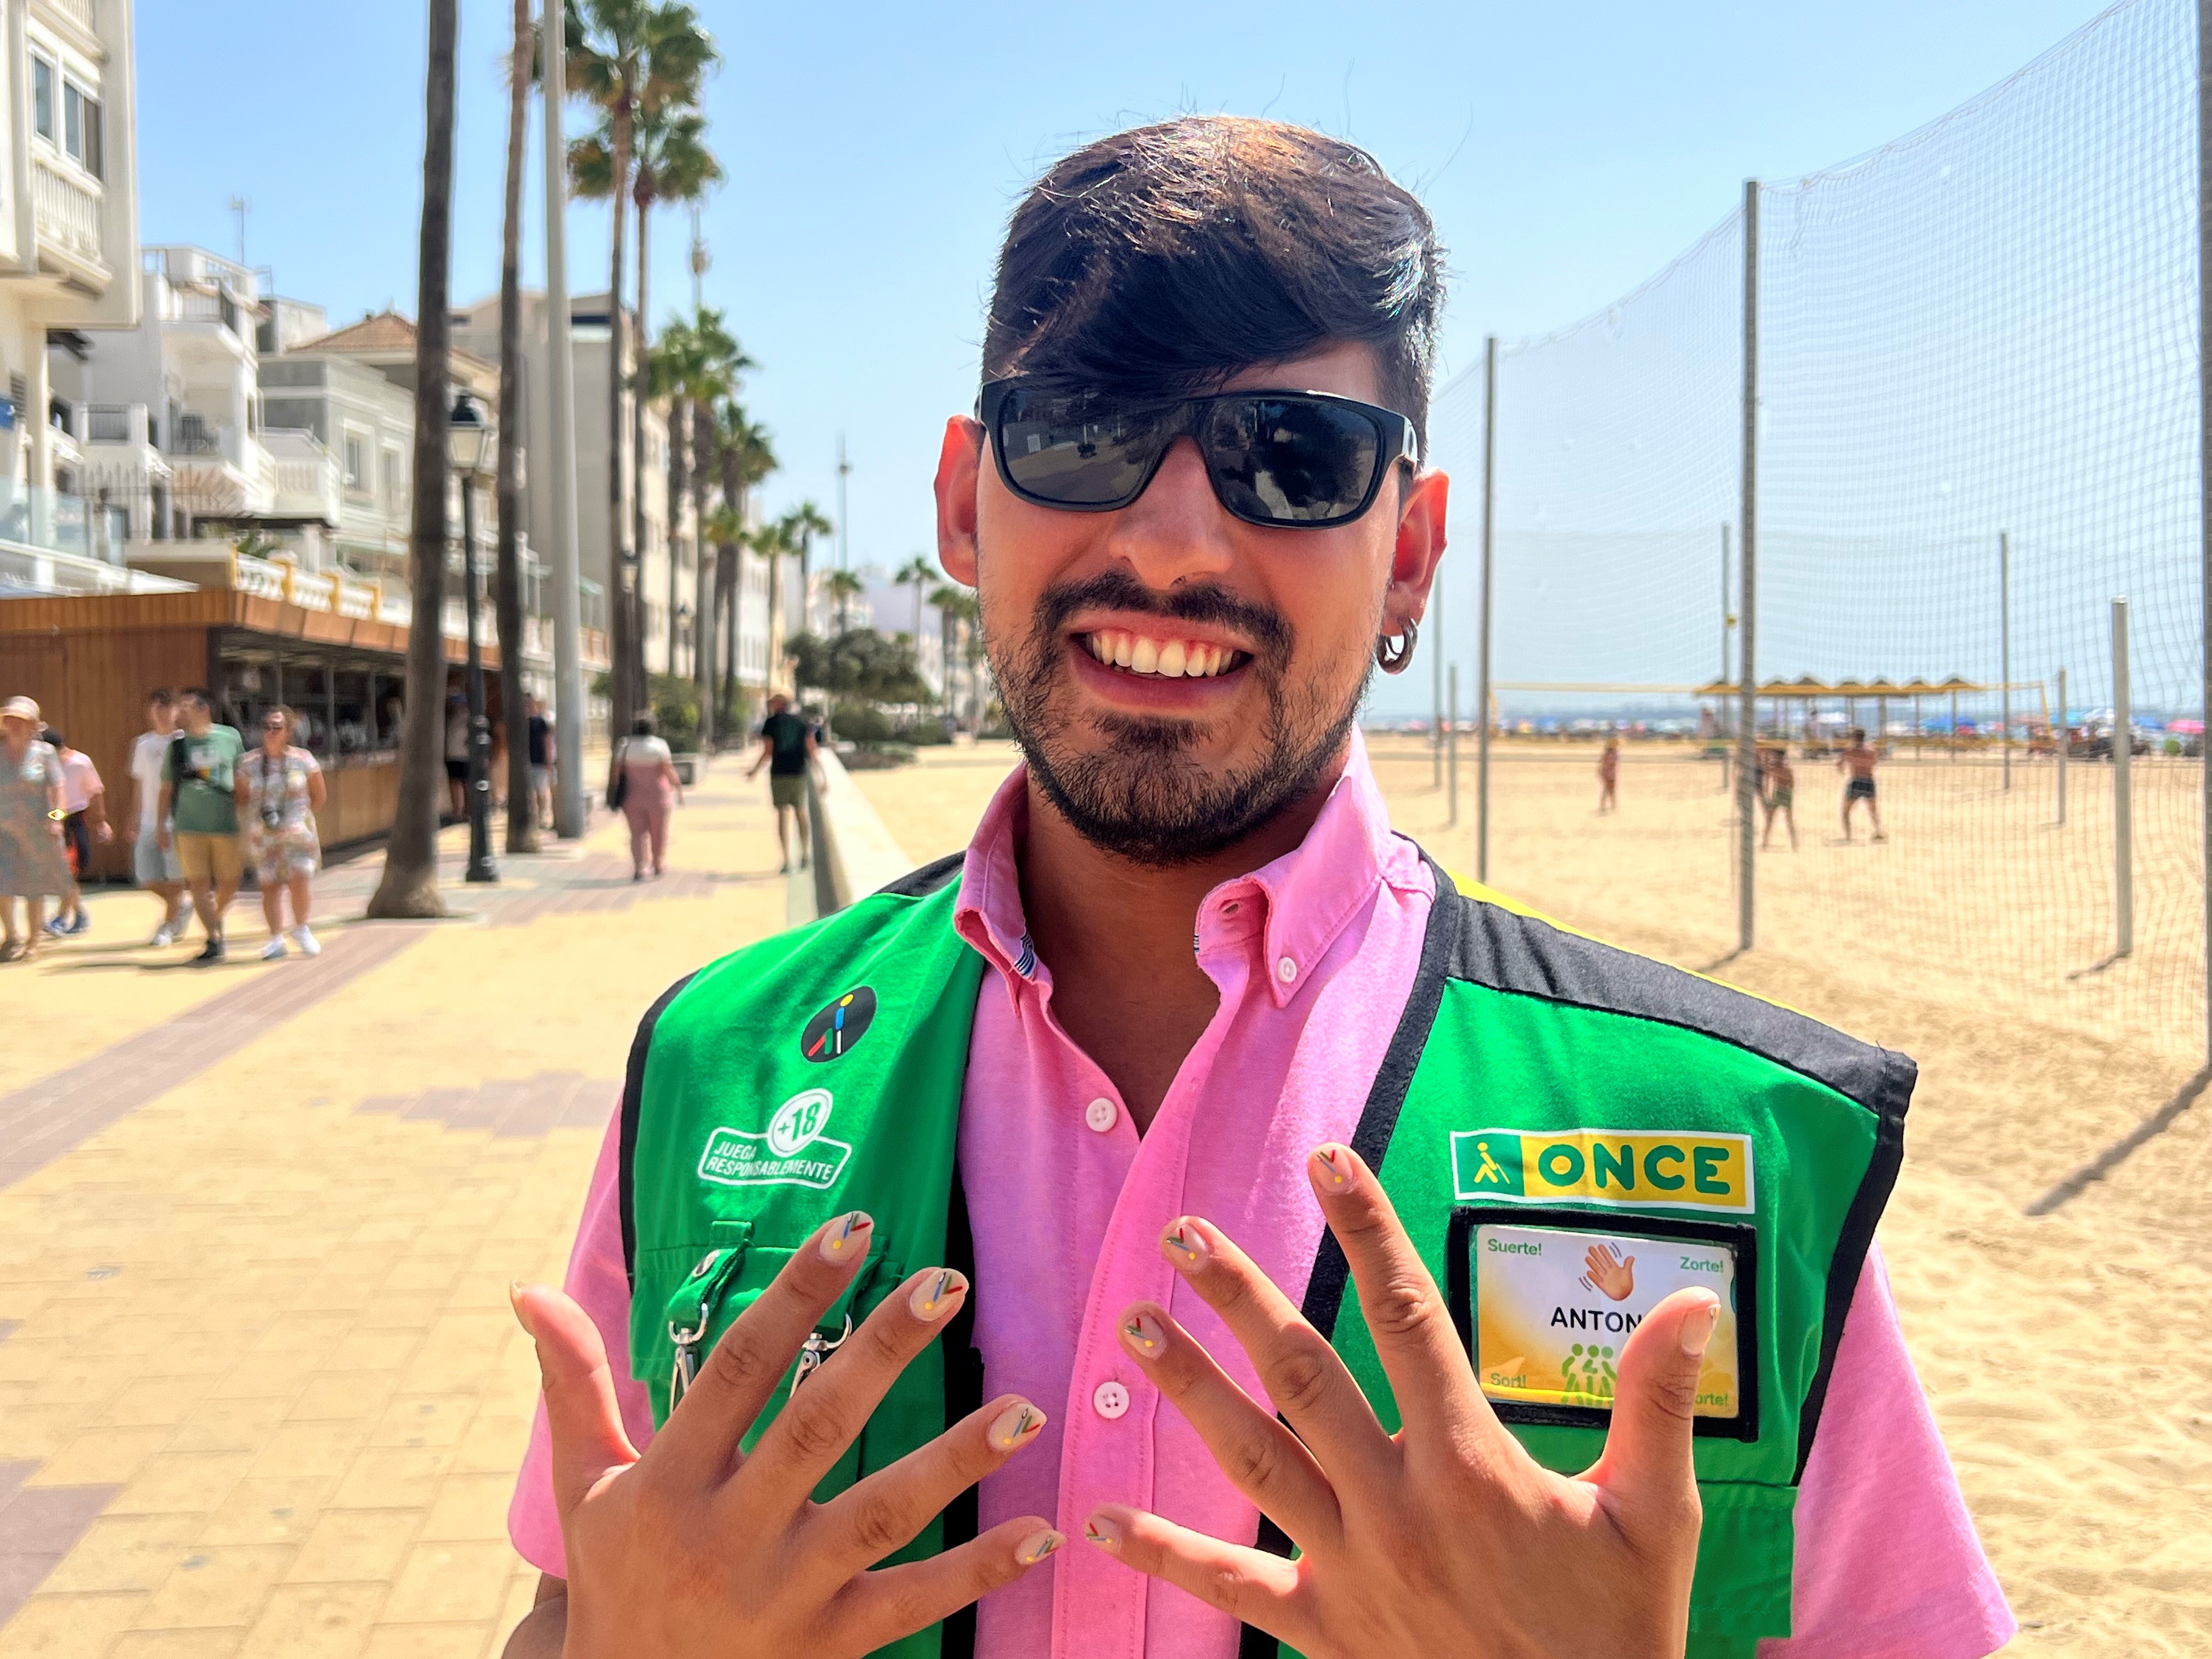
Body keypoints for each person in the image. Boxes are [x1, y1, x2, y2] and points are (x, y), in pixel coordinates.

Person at [502, 119, 2011, 1659]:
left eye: (1293, 458)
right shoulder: (712, 1066)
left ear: (1410, 553)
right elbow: (568, 1609)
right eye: (1083, 429)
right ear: (966, 503)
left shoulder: (1720, 1140)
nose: (1168, 543)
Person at [159, 688, 245, 966]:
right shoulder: (177, 747)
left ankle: (213, 916)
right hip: (188, 825)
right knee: (198, 884)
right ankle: (215, 937)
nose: (180, 713)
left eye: (186, 707)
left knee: (230, 882)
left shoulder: (229, 738)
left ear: (203, 709)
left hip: (225, 824)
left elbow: (243, 777)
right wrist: (162, 824)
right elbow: (166, 788)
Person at [237, 706, 325, 960]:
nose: (271, 732)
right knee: (270, 886)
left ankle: (301, 928)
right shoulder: (249, 763)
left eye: (277, 727)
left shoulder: (304, 759)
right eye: (267, 727)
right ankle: (276, 938)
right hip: (264, 836)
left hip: (298, 834)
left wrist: (297, 819)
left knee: (300, 879)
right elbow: (242, 798)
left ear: (288, 731)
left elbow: (319, 797)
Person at [0, 696, 69, 962]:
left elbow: (59, 789)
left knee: (34, 887)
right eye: (10, 720)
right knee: (3, 886)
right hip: (4, 830)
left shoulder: (45, 753)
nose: (15, 725)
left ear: (32, 725)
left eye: (21, 721)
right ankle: (11, 937)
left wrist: (57, 819)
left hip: (36, 830)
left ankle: (34, 942)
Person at [129, 689, 189, 946]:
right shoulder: (142, 744)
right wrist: (133, 817)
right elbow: (139, 784)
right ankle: (181, 908)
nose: (162, 714)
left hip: (176, 820)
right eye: (157, 709)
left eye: (167, 709)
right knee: (146, 878)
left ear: (177, 712)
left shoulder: (185, 743)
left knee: (175, 877)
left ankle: (168, 924)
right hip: (148, 820)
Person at [42, 730, 109, 936]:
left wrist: (102, 822)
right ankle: (75, 914)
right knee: (60, 872)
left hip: (75, 820)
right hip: (53, 820)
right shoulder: (44, 766)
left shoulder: (80, 762)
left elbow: (95, 792)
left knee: (68, 871)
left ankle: (65, 916)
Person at [748, 691, 817, 873]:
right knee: (801, 813)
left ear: (779, 704)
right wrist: (819, 774)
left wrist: (754, 771)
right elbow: (811, 749)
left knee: (782, 815)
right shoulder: (801, 722)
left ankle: (787, 859)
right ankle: (805, 854)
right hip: (798, 772)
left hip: (779, 773)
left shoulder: (771, 723)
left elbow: (768, 752)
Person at [611, 713, 682, 882]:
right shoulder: (659, 746)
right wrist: (678, 788)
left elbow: (616, 774)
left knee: (637, 834)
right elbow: (668, 771)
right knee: (658, 832)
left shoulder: (625, 745)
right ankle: (658, 863)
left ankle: (639, 868)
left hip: (632, 796)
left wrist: (616, 791)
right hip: (658, 797)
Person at [1838, 725, 1886, 843]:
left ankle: (1849, 837)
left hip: (1856, 781)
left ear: (1855, 738)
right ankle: (1878, 831)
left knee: (1846, 811)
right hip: (1869, 781)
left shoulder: (1850, 751)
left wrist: (1845, 769)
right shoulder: (1871, 750)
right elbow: (1875, 762)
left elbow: (1840, 765)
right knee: (1873, 810)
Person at [1759, 743, 1799, 850]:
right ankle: (1765, 843)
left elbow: (1791, 782)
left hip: (1783, 793)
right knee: (1775, 819)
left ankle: (1793, 844)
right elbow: (1792, 784)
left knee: (1782, 820)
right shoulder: (1781, 768)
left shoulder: (1783, 768)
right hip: (1782, 793)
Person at [526, 696, 555, 829]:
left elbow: (547, 742)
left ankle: (543, 816)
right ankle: (535, 817)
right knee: (531, 792)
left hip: (539, 762)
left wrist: (548, 760)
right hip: (527, 762)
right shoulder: (523, 723)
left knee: (541, 791)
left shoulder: (541, 722)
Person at [445, 695, 470, 820]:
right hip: (452, 756)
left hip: (463, 756)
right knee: (455, 784)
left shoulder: (468, 719)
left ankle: (464, 811)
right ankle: (458, 811)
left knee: (463, 784)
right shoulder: (451, 719)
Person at [1596, 734, 1620, 813]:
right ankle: (1610, 806)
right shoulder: (1612, 753)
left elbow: (1601, 763)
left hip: (1607, 772)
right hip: (1609, 773)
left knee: (1608, 789)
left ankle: (1607, 806)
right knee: (1609, 789)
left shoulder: (1608, 753)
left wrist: (1599, 773)